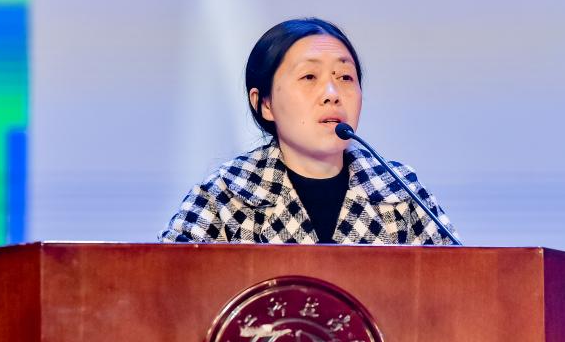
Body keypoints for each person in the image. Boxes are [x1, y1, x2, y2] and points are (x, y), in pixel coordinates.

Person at [158, 18, 457, 244]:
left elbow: (460, 286)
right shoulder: (224, 195)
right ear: (265, 104)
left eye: (345, 77)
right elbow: (164, 292)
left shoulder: (399, 191)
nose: (332, 94)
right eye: (309, 76)